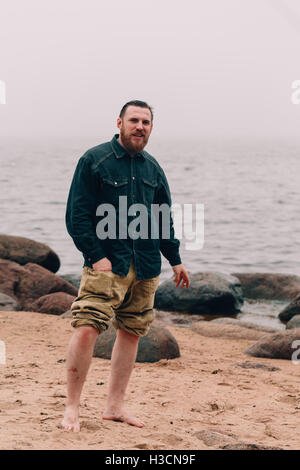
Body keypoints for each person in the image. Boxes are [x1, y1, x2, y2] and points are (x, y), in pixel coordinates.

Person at [62, 100, 190, 432]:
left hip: (146, 265)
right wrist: (96, 256)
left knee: (131, 333)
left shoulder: (153, 168)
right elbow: (76, 215)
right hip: (108, 264)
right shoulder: (94, 160)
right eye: (134, 120)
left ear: (151, 127)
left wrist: (174, 260)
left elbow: (163, 219)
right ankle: (72, 408)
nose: (140, 126)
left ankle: (114, 407)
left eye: (146, 122)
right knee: (88, 327)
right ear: (119, 122)